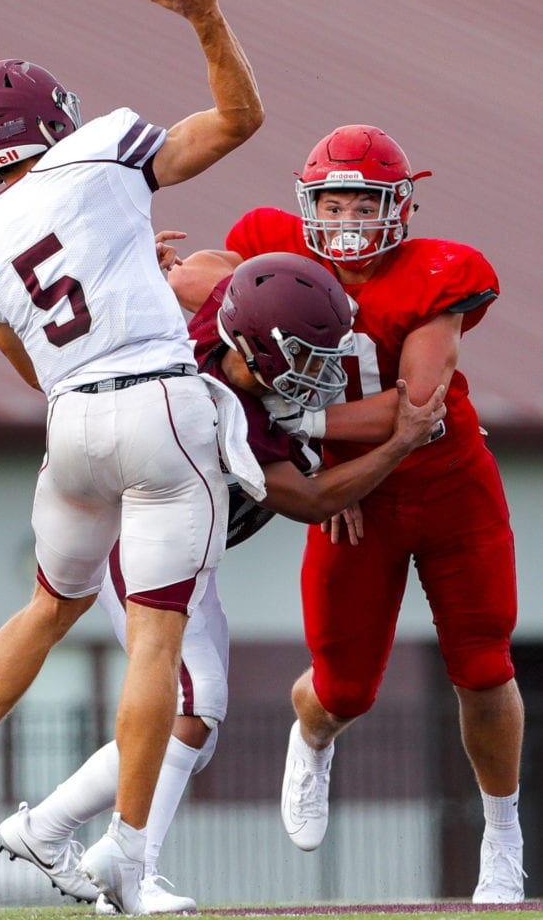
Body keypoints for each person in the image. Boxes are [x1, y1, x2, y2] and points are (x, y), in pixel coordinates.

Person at [0, 0, 266, 917]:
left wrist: (114, 283)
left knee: (45, 605)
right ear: (50, 120)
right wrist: (201, 14)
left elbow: (23, 346)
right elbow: (241, 119)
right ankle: (129, 859)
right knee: (156, 647)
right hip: (157, 405)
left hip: (70, 425)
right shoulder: (102, 145)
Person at [0, 250, 445, 914]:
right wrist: (396, 443)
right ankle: (129, 867)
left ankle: (46, 829)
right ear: (256, 350)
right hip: (139, 541)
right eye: (306, 356)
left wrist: (144, 262)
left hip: (179, 546)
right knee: (193, 707)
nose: (320, 374)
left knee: (194, 730)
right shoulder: (226, 407)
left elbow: (219, 271)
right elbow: (310, 499)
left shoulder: (225, 318)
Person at [215, 124, 526, 904]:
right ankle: (312, 735)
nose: (348, 218)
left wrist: (305, 433)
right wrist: (161, 270)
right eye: (334, 201)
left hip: (451, 485)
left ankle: (502, 835)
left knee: (484, 666)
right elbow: (219, 311)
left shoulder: (439, 272)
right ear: (308, 202)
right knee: (345, 690)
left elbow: (416, 407)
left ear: (399, 206)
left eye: (363, 202)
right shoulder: (269, 244)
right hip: (359, 503)